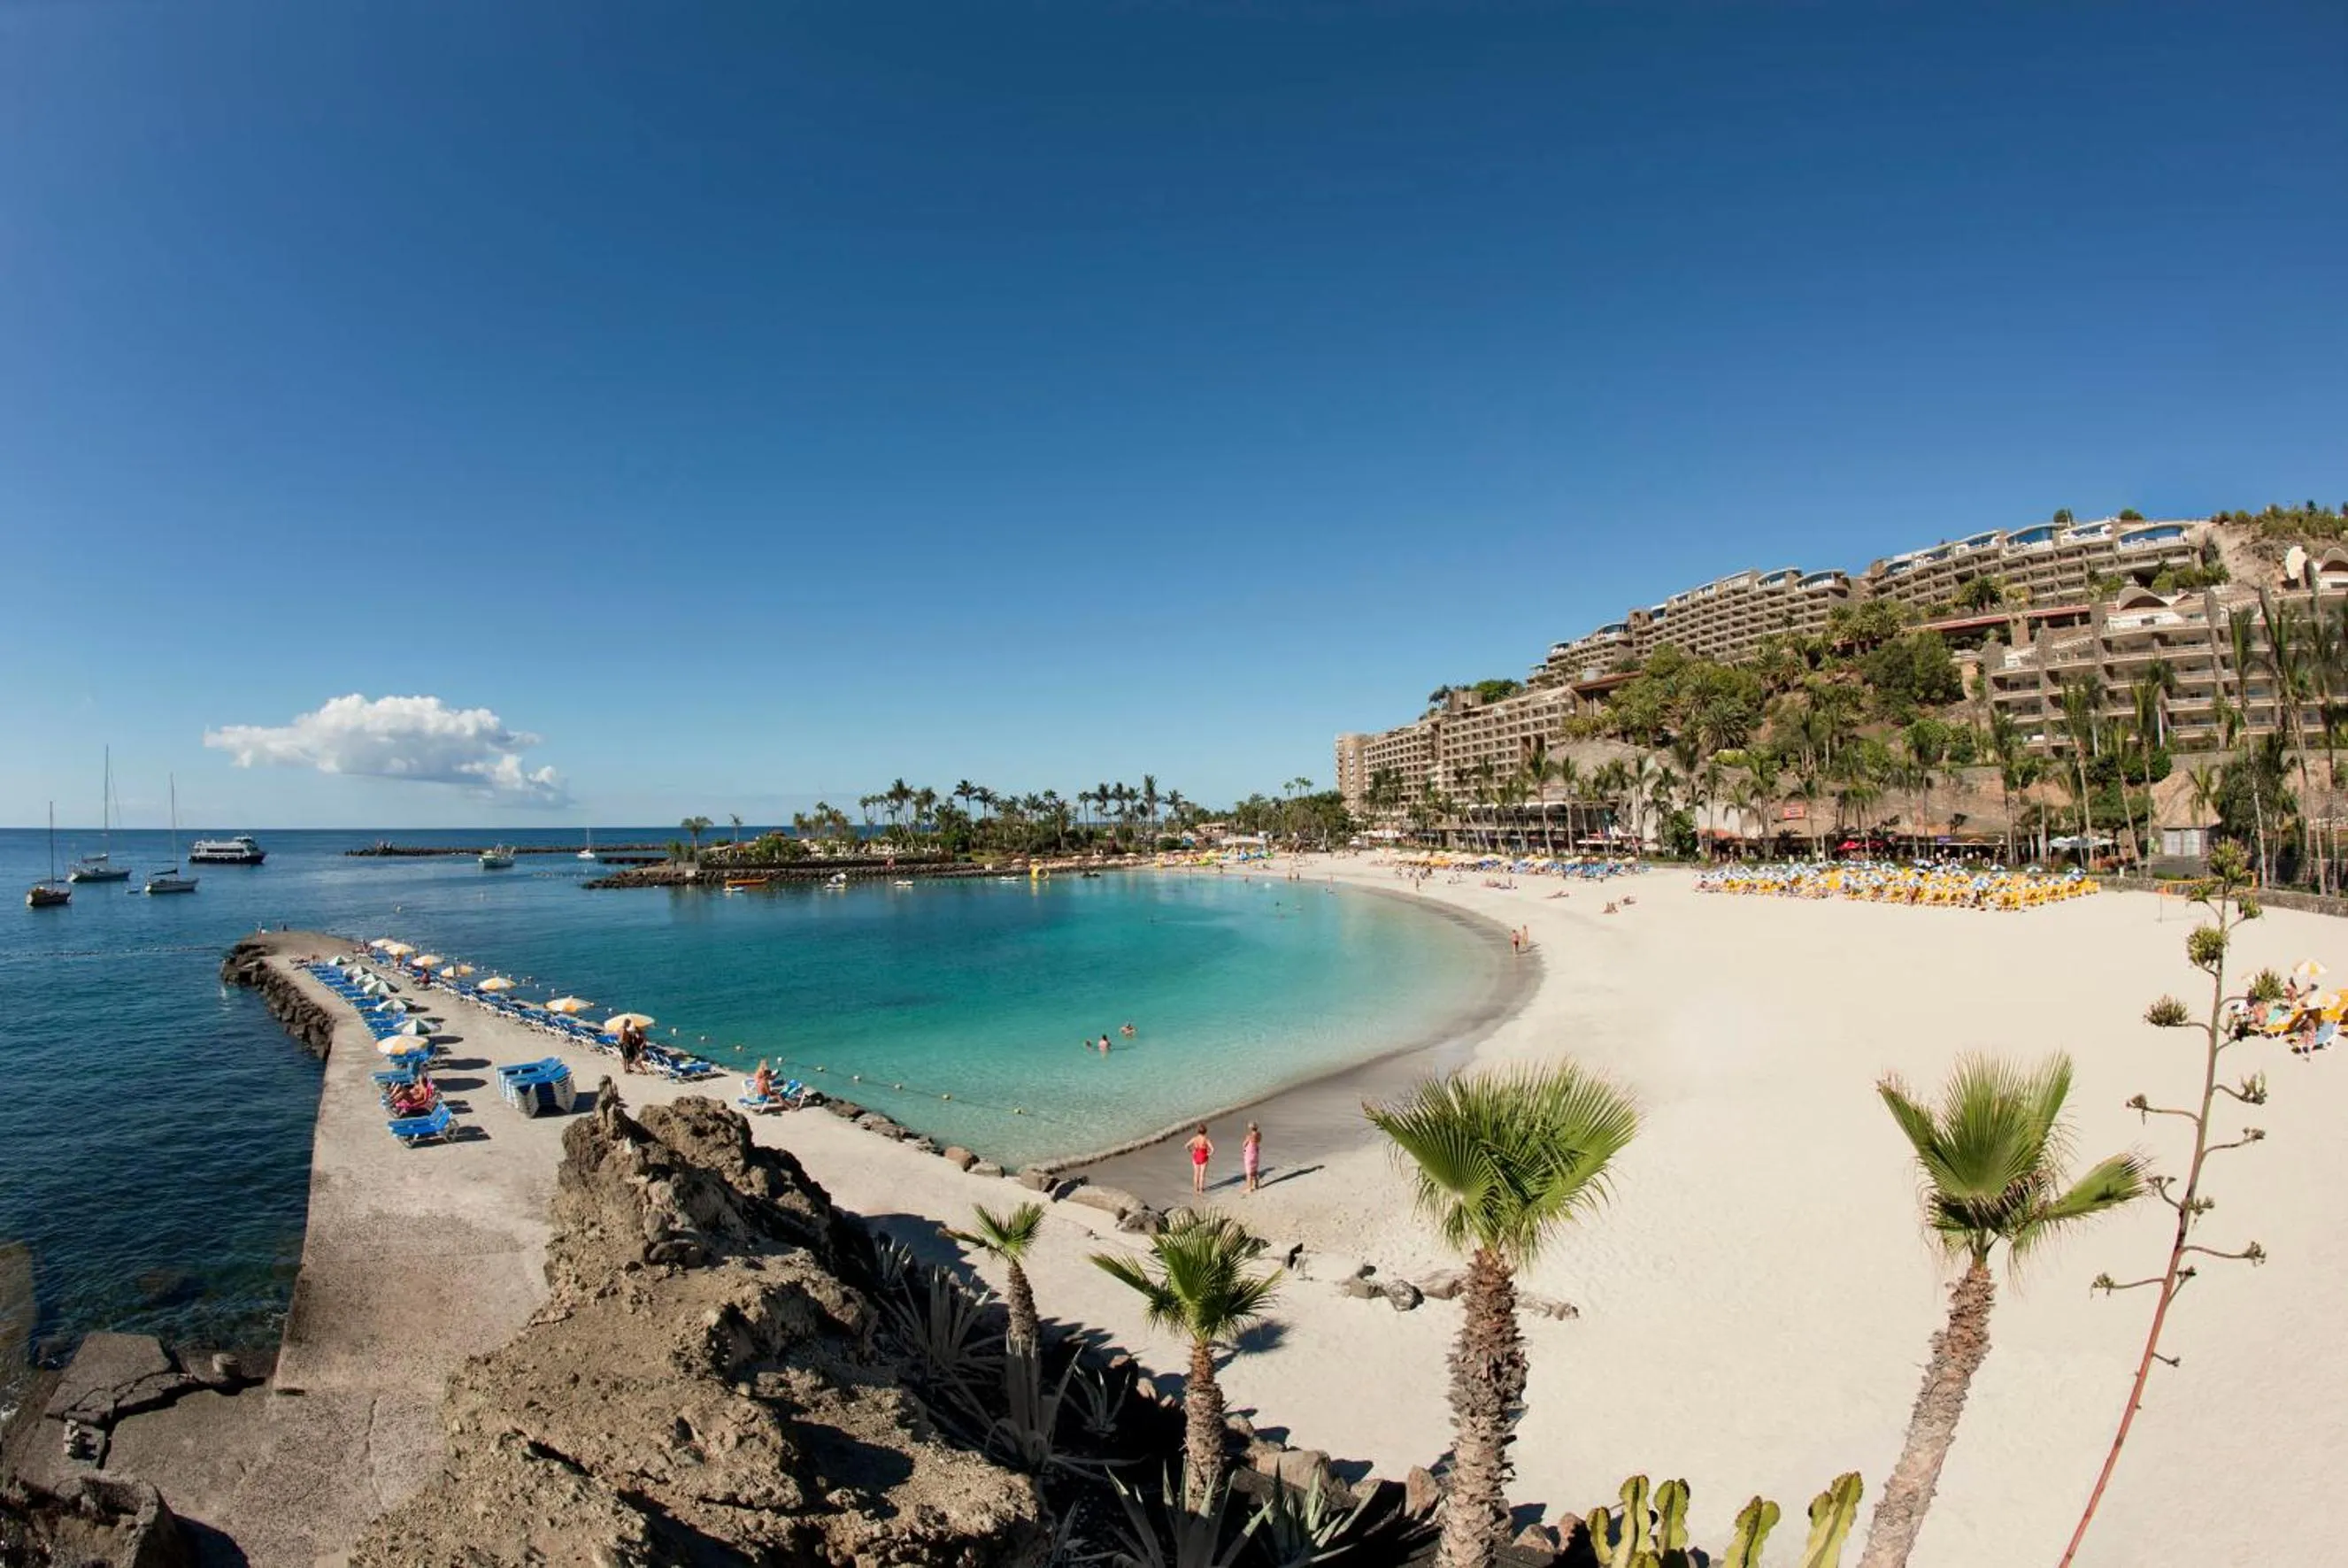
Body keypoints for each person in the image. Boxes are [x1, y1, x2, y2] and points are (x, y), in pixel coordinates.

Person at [1186, 1123, 1213, 1194]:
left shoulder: (1194, 1139)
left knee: (1196, 1174)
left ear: (1197, 1131)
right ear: (1205, 1131)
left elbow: (1186, 1146)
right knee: (1202, 1174)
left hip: (1196, 1156)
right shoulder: (1206, 1139)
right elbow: (1212, 1149)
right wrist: (1209, 1153)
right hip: (1203, 1156)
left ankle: (1195, 1189)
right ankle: (1201, 1190)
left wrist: (1191, 1151)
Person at [1243, 1122, 1262, 1195]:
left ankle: (1249, 1188)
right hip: (1255, 1154)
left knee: (1249, 1173)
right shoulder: (1259, 1135)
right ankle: (1256, 1185)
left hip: (1249, 1155)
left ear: (1250, 1128)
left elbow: (1244, 1144)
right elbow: (1258, 1142)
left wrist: (1244, 1146)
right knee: (1255, 1171)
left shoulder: (1249, 1136)